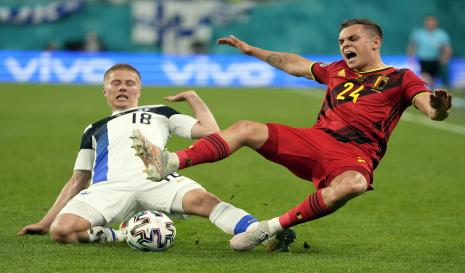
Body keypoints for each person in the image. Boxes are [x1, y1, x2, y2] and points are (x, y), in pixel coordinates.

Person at [130, 18, 452, 251]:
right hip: (314, 142)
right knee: (246, 128)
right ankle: (169, 162)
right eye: (341, 41)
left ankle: (269, 229)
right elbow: (294, 64)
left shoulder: (401, 78)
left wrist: (438, 106)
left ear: (375, 42)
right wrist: (252, 50)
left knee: (354, 184)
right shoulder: (337, 70)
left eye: (352, 39)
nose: (345, 46)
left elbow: (430, 108)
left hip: (353, 156)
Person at [18, 63, 295, 252]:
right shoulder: (93, 128)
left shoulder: (161, 112)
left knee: (204, 201)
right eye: (116, 83)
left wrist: (193, 98)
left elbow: (210, 131)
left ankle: (260, 232)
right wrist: (44, 223)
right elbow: (79, 178)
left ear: (139, 89)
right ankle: (124, 234)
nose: (123, 88)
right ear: (106, 91)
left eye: (130, 83)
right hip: (109, 187)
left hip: (157, 176)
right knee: (63, 231)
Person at [407, 15, 452, 87]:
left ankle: (432, 91)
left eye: (432, 22)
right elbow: (412, 45)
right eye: (428, 22)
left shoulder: (441, 34)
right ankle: (427, 90)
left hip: (436, 60)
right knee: (426, 77)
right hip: (423, 60)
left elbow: (446, 48)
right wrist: (410, 56)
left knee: (434, 79)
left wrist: (446, 57)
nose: (430, 24)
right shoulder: (419, 33)